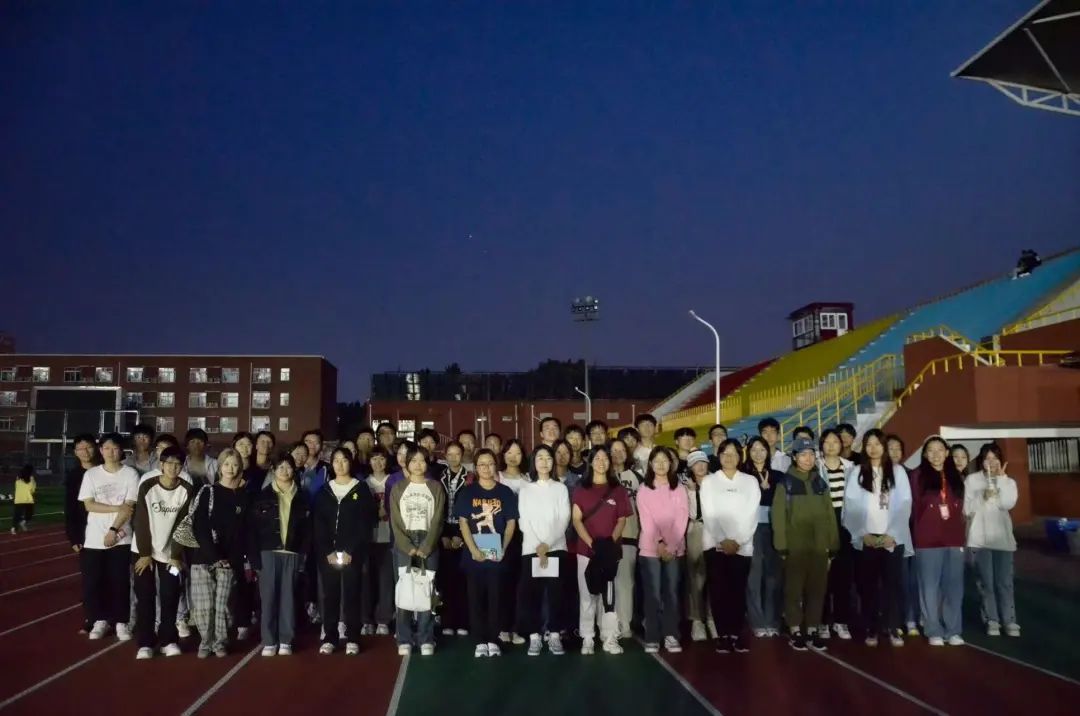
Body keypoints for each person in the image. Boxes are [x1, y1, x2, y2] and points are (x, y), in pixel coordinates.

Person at [841, 429, 912, 648]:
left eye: (877, 444)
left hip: (892, 538)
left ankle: (892, 627)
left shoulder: (897, 472)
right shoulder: (857, 472)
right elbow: (850, 505)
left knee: (892, 585)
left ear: (884, 447)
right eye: (869, 444)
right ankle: (871, 627)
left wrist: (893, 533)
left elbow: (904, 504)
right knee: (868, 586)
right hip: (867, 538)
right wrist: (862, 533)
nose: (873, 448)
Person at [773, 438, 838, 652]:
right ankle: (795, 630)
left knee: (817, 591)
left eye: (811, 454)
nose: (808, 459)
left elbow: (830, 514)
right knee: (793, 590)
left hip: (819, 547)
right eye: (803, 454)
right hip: (795, 547)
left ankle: (812, 629)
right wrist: (781, 546)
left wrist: (833, 544)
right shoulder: (786, 483)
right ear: (794, 457)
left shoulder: (820, 482)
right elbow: (778, 517)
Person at [131, 445, 195, 660]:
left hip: (171, 555)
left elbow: (183, 523)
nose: (173, 468)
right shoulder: (148, 486)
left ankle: (168, 640)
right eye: (169, 463)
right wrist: (145, 553)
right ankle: (145, 643)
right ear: (161, 464)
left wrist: (175, 556)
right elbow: (141, 520)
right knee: (145, 596)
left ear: (182, 466)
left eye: (178, 464)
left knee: (171, 594)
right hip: (142, 552)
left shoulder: (186, 489)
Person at [456, 449, 518, 658]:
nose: (486, 468)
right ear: (476, 467)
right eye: (481, 464)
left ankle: (493, 639)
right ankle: (480, 641)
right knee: (476, 599)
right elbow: (463, 523)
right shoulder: (468, 492)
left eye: (490, 463)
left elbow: (511, 523)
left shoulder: (505, 492)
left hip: (497, 554)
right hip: (474, 556)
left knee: (496, 598)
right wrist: (473, 550)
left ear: (496, 465)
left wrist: (503, 548)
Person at [313, 447, 375, 656]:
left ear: (351, 462)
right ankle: (330, 637)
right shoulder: (324, 491)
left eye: (344, 460)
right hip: (328, 554)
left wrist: (351, 550)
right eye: (336, 460)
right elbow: (318, 524)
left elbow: (365, 524)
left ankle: (353, 638)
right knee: (329, 595)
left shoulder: (361, 489)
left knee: (352, 595)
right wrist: (327, 551)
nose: (340, 464)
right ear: (331, 464)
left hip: (352, 554)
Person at [188, 447, 249, 658]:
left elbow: (244, 531)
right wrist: (214, 556)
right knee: (204, 606)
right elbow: (200, 527)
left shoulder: (244, 496)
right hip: (204, 558)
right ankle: (205, 642)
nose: (230, 468)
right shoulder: (208, 491)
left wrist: (233, 558)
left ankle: (220, 642)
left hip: (230, 560)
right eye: (226, 464)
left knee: (224, 605)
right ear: (220, 467)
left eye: (235, 464)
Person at [249, 453, 312, 656]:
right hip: (267, 552)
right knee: (268, 598)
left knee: (289, 598)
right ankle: (269, 640)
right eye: (280, 467)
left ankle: (286, 639)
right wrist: (254, 559)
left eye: (288, 467)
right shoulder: (262, 496)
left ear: (294, 470)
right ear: (273, 470)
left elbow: (308, 530)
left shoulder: (302, 496)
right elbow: (253, 530)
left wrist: (303, 554)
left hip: (292, 552)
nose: (285, 471)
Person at [701, 439, 760, 654]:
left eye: (734, 453)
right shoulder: (709, 481)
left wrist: (738, 540)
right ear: (718, 456)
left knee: (738, 591)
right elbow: (708, 513)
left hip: (742, 547)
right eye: (725, 453)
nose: (729, 457)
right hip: (714, 545)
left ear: (740, 456)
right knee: (719, 591)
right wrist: (722, 539)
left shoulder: (750, 481)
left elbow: (752, 513)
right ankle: (723, 635)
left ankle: (736, 633)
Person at [571, 446, 632, 655]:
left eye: (605, 458)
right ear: (590, 462)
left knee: (609, 597)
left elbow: (622, 519)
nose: (601, 462)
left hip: (610, 553)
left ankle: (609, 637)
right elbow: (576, 520)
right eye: (597, 458)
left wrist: (608, 544)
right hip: (586, 552)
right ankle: (587, 637)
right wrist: (592, 544)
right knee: (587, 596)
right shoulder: (581, 489)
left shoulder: (618, 490)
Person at [80, 433, 139, 642]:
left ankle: (121, 621)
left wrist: (113, 530)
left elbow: (129, 506)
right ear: (100, 450)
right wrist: (116, 507)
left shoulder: (130, 474)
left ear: (121, 450)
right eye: (106, 448)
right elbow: (89, 504)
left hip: (121, 537)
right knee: (95, 582)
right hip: (94, 539)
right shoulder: (91, 475)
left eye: (115, 448)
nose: (111, 452)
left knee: (119, 582)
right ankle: (100, 620)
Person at [389, 444, 447, 656]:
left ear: (427, 463)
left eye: (422, 460)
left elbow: (438, 519)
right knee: (404, 589)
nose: (418, 464)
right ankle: (404, 638)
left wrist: (427, 546)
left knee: (427, 590)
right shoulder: (398, 488)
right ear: (406, 463)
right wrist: (408, 547)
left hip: (428, 540)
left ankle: (426, 638)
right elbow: (395, 521)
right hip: (405, 542)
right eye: (413, 460)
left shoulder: (435, 487)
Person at [910, 436, 966, 647]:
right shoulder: (917, 476)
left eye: (940, 449)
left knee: (954, 587)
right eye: (931, 450)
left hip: (954, 538)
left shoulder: (955, 476)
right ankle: (933, 629)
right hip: (927, 539)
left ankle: (953, 630)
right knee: (930, 587)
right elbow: (913, 507)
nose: (935, 454)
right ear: (925, 454)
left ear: (946, 452)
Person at [516, 445, 570, 656]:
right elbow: (523, 520)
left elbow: (564, 519)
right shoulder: (526, 489)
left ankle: (554, 634)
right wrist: (538, 545)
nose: (544, 462)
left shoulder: (560, 488)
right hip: (531, 549)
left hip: (556, 548)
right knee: (531, 595)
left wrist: (547, 544)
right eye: (540, 457)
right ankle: (534, 637)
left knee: (556, 594)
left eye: (548, 457)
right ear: (534, 462)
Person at [637, 446, 690, 654]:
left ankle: (671, 634)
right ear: (650, 464)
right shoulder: (644, 489)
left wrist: (672, 545)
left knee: (672, 593)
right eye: (656, 460)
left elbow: (682, 518)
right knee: (652, 594)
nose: (660, 464)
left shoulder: (679, 489)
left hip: (675, 550)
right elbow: (646, 520)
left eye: (664, 460)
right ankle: (652, 636)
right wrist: (659, 542)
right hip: (650, 549)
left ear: (671, 464)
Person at [965, 443, 1019, 637]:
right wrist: (982, 496)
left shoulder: (1008, 482)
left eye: (995, 458)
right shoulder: (972, 480)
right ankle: (992, 620)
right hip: (979, 540)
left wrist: (1001, 481)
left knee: (1004, 583)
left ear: (1000, 460)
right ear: (981, 461)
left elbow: (1008, 503)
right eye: (987, 458)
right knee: (986, 582)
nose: (991, 462)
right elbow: (966, 509)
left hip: (1003, 540)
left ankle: (1009, 621)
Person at [742, 437, 785, 638]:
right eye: (754, 449)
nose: (758, 453)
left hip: (774, 528)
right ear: (748, 452)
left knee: (773, 576)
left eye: (762, 449)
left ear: (768, 452)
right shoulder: (743, 476)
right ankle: (757, 621)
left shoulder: (778, 476)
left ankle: (772, 620)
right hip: (751, 528)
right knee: (754, 575)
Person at [818, 428, 855, 641]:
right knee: (823, 578)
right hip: (823, 525)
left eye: (835, 441)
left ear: (841, 445)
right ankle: (823, 622)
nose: (831, 445)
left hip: (845, 526)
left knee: (843, 577)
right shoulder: (815, 467)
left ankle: (841, 621)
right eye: (827, 442)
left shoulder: (851, 468)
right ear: (821, 445)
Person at [886, 434, 920, 637]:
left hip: (907, 533)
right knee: (892, 580)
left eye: (898, 448)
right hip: (884, 535)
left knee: (908, 580)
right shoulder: (876, 474)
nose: (894, 452)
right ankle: (895, 620)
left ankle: (910, 618)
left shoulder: (910, 474)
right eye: (890, 448)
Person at [436, 441, 471, 636]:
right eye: (450, 454)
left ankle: (463, 622)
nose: (453, 458)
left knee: (463, 579)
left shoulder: (471, 478)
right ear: (445, 455)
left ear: (462, 455)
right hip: (443, 529)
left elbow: (471, 508)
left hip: (464, 529)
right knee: (446, 579)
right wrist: (442, 535)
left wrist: (459, 535)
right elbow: (435, 509)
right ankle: (447, 622)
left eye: (457, 454)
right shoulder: (439, 477)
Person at [496, 439, 528, 644]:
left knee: (520, 585)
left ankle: (516, 628)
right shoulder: (496, 477)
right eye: (509, 452)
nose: (513, 457)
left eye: (517, 453)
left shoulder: (528, 480)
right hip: (497, 536)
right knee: (499, 583)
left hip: (523, 537)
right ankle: (501, 627)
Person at [683, 450, 717, 642]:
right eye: (696, 463)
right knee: (696, 578)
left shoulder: (717, 483)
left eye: (703, 462)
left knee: (714, 577)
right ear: (690, 467)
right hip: (696, 529)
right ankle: (697, 620)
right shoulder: (685, 486)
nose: (701, 466)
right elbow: (689, 513)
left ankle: (712, 618)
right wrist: (692, 491)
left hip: (715, 531)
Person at [362, 445, 395, 636]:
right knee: (367, 581)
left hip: (389, 538)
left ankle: (383, 619)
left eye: (381, 458)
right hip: (368, 538)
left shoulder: (394, 481)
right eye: (374, 458)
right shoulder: (363, 483)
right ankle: (367, 620)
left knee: (386, 581)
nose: (378, 462)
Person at [610, 438, 641, 640]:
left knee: (625, 582)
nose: (618, 453)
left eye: (622, 450)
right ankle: (607, 624)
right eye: (614, 450)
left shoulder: (636, 477)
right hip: (606, 537)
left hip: (629, 535)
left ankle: (625, 623)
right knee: (607, 583)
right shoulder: (603, 476)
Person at [66, 434, 97, 634]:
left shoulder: (106, 470)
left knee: (114, 578)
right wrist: (74, 536)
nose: (85, 452)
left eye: (88, 447)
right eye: (80, 449)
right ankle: (91, 617)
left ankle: (115, 617)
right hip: (86, 534)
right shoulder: (74, 476)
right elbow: (70, 508)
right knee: (90, 578)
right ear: (75, 452)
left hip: (111, 530)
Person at [11, 464, 36, 533]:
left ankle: (13, 528)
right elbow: (32, 490)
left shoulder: (18, 478)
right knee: (29, 514)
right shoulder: (31, 478)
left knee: (17, 514)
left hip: (18, 499)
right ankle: (23, 522)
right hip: (28, 499)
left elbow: (16, 487)